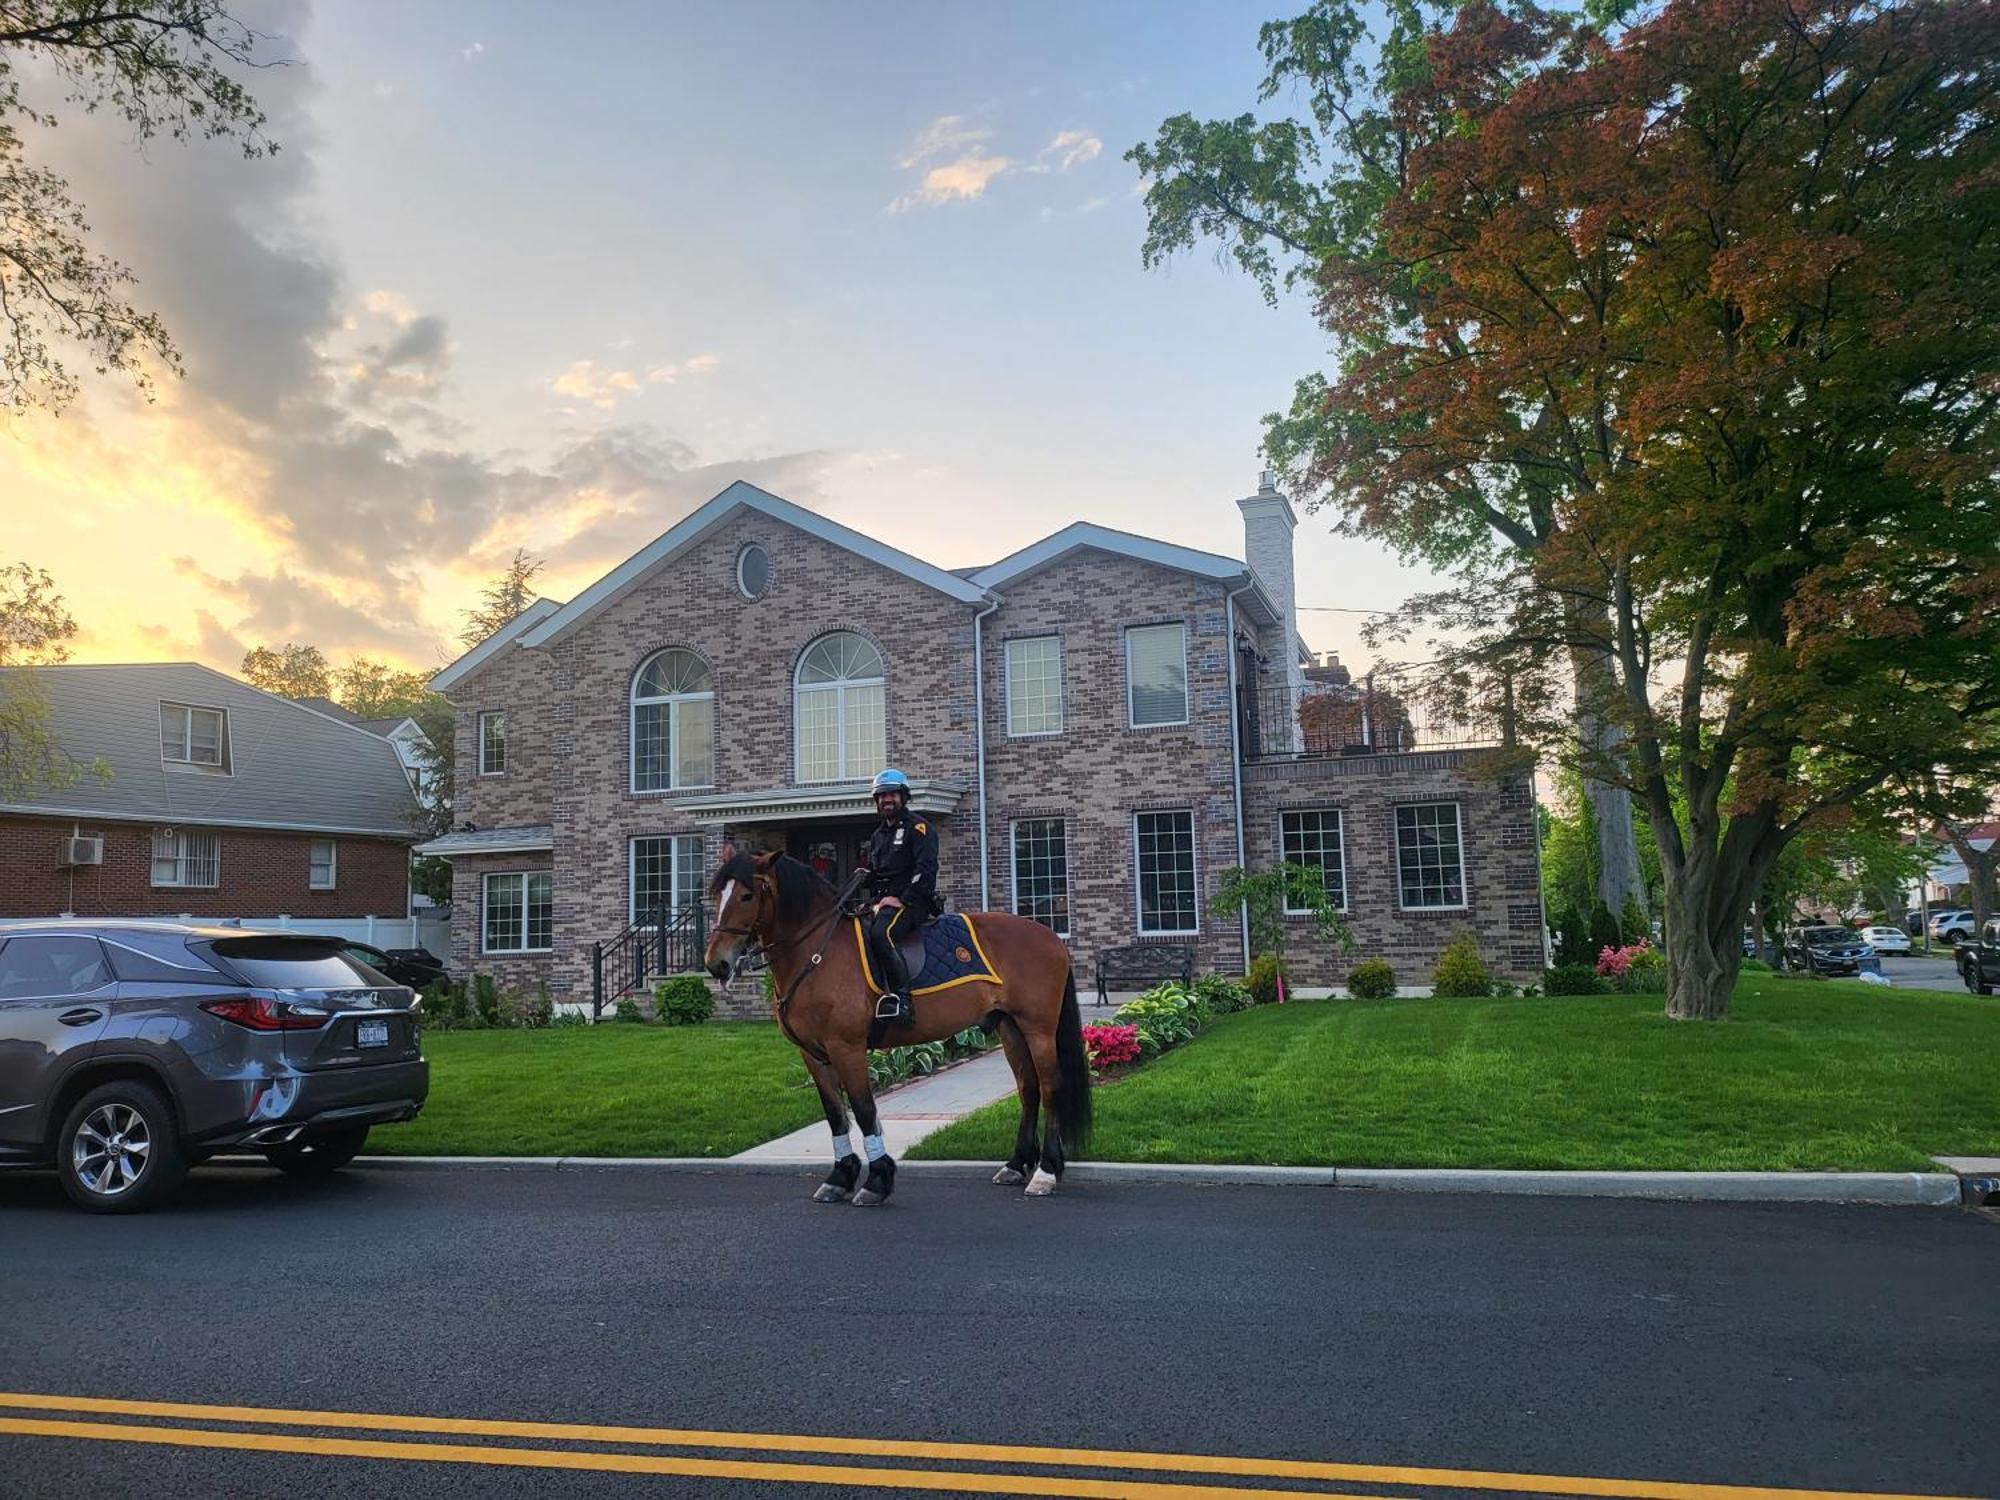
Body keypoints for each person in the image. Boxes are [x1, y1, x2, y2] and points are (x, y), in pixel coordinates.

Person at [857, 768, 937, 1024]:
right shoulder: (878, 836)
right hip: (882, 903)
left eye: (891, 794)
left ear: (903, 796)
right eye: (881, 796)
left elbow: (926, 870)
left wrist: (903, 898)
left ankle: (903, 1001)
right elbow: (876, 872)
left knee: (882, 934)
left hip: (912, 903)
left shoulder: (919, 827)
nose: (886, 800)